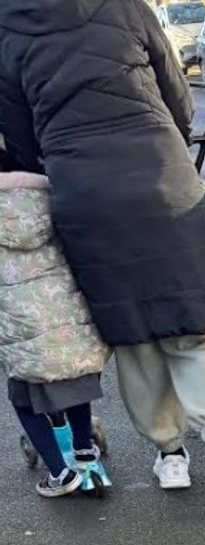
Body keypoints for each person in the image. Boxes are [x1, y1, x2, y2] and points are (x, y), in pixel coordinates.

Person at [0, 0, 205, 514]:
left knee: (134, 334)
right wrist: (173, 135)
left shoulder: (3, 24)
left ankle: (168, 457)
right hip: (163, 175)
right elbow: (175, 90)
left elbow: (20, 134)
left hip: (85, 190)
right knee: (193, 326)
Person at [0, 158, 109, 496]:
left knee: (23, 399)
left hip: (23, 330)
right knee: (74, 383)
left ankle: (61, 475)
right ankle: (84, 450)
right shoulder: (51, 198)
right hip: (68, 317)